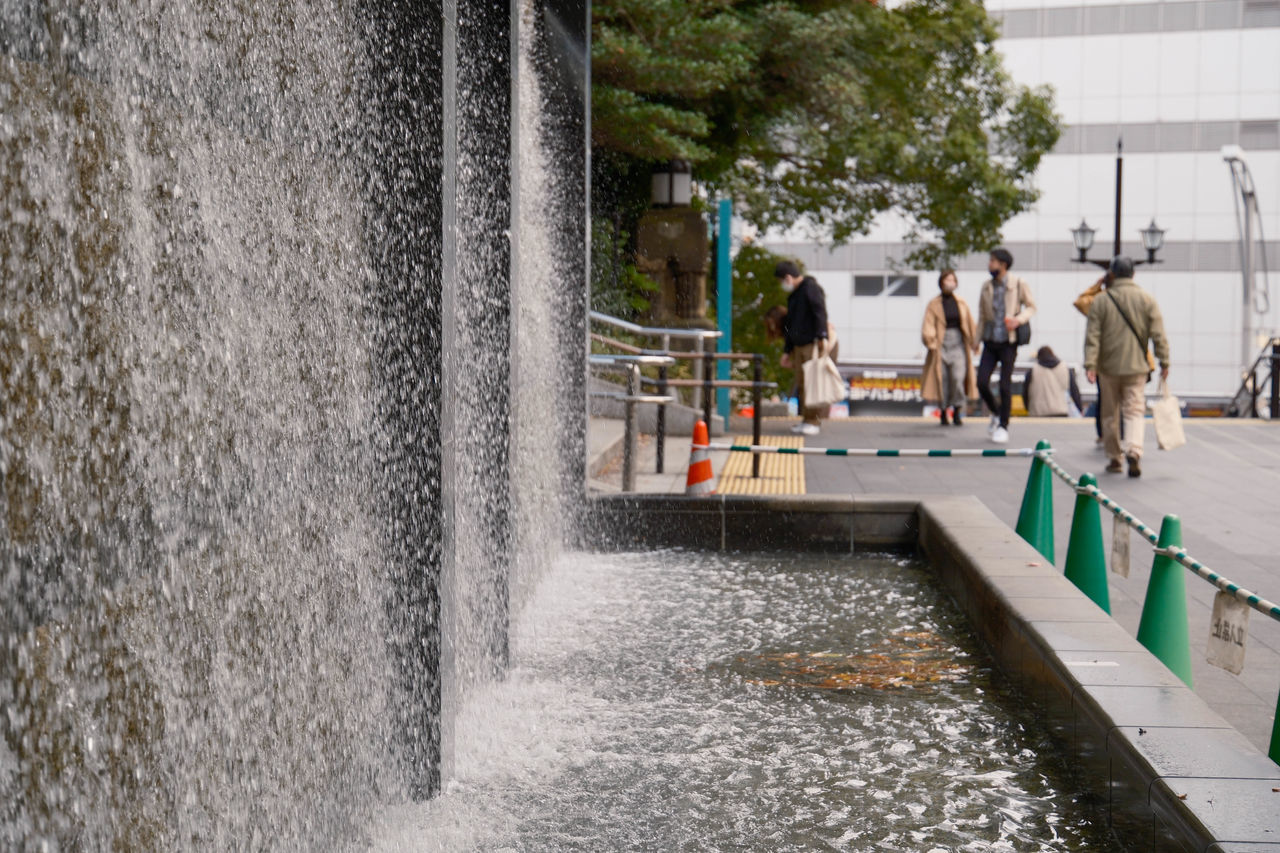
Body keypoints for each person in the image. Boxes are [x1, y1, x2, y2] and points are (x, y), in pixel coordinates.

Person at [1084, 255, 1170, 478]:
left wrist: (1090, 364)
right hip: (1136, 366)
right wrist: (1164, 360)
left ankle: (1115, 458)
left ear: (1111, 274)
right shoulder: (1146, 299)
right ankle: (1134, 449)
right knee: (1134, 410)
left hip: (1108, 366)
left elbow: (1093, 336)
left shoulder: (1101, 301)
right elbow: (1158, 334)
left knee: (1110, 413)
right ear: (1133, 274)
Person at [977, 247, 1036, 444]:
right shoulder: (986, 286)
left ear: (1003, 265)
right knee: (981, 382)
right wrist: (975, 341)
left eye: (992, 261)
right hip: (990, 340)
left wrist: (1018, 320)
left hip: (1009, 342)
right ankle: (995, 411)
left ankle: (1003, 425)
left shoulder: (1018, 283)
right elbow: (982, 316)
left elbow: (1032, 306)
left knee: (1004, 384)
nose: (989, 265)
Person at [775, 260, 830, 435]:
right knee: (802, 384)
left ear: (788, 277)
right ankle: (806, 419)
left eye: (781, 280)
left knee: (812, 383)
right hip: (798, 345)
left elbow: (819, 312)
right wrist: (787, 350)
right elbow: (791, 325)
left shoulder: (810, 288)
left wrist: (822, 336)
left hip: (811, 343)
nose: (782, 284)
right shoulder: (796, 294)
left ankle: (813, 420)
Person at [920, 269, 978, 426]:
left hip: (959, 345)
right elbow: (928, 325)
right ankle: (944, 411)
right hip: (940, 345)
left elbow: (970, 324)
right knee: (943, 379)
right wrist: (931, 341)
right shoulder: (933, 304)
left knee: (958, 378)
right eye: (947, 280)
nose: (950, 283)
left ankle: (958, 410)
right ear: (941, 283)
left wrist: (975, 342)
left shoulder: (961, 303)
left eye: (953, 280)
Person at [1023, 346, 1084, 417]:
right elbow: (1075, 391)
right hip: (1060, 411)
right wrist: (1080, 408)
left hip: (1038, 412)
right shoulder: (1065, 369)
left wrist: (1027, 407)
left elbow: (1025, 392)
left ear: (1039, 357)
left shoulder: (1032, 371)